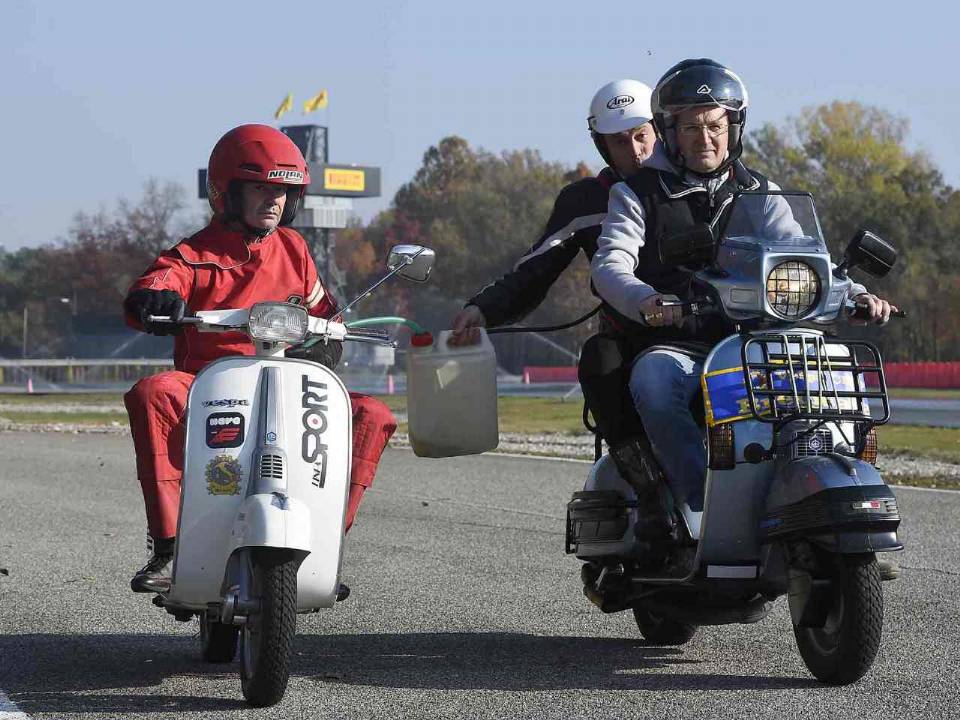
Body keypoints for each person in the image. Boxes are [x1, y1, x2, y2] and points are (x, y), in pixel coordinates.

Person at [590, 58, 897, 543]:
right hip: (682, 342)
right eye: (690, 126)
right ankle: (695, 504)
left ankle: (838, 499)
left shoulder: (762, 192)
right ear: (669, 131)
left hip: (759, 338)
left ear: (734, 128)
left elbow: (806, 259)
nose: (705, 137)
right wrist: (648, 299)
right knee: (652, 380)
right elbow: (610, 266)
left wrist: (857, 294)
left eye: (716, 124)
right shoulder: (637, 193)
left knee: (837, 372)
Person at [122, 124, 397, 595]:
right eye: (261, 188)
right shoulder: (191, 255)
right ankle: (169, 545)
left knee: (372, 413)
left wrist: (331, 332)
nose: (274, 200)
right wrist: (154, 302)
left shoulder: (294, 249)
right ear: (226, 192)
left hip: (288, 385)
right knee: (153, 393)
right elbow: (155, 285)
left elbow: (323, 310)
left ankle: (328, 544)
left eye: (283, 191)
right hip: (210, 386)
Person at [449, 78, 658, 346]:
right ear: (603, 146)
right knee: (600, 363)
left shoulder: (689, 184)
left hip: (693, 327)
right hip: (626, 336)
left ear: (659, 130)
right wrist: (482, 309)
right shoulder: (582, 201)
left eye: (641, 136)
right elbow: (535, 271)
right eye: (619, 142)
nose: (635, 152)